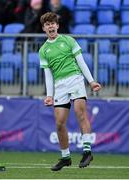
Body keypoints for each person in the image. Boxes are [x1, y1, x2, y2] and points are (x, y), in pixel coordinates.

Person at [39, 12, 101, 171]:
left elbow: (81, 62)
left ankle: (87, 151)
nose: (51, 26)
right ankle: (65, 157)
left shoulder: (68, 40)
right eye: (47, 24)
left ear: (57, 25)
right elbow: (48, 75)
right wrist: (49, 95)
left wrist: (91, 81)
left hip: (75, 80)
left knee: (80, 113)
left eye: (53, 23)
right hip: (59, 86)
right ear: (44, 29)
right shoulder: (43, 50)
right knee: (59, 123)